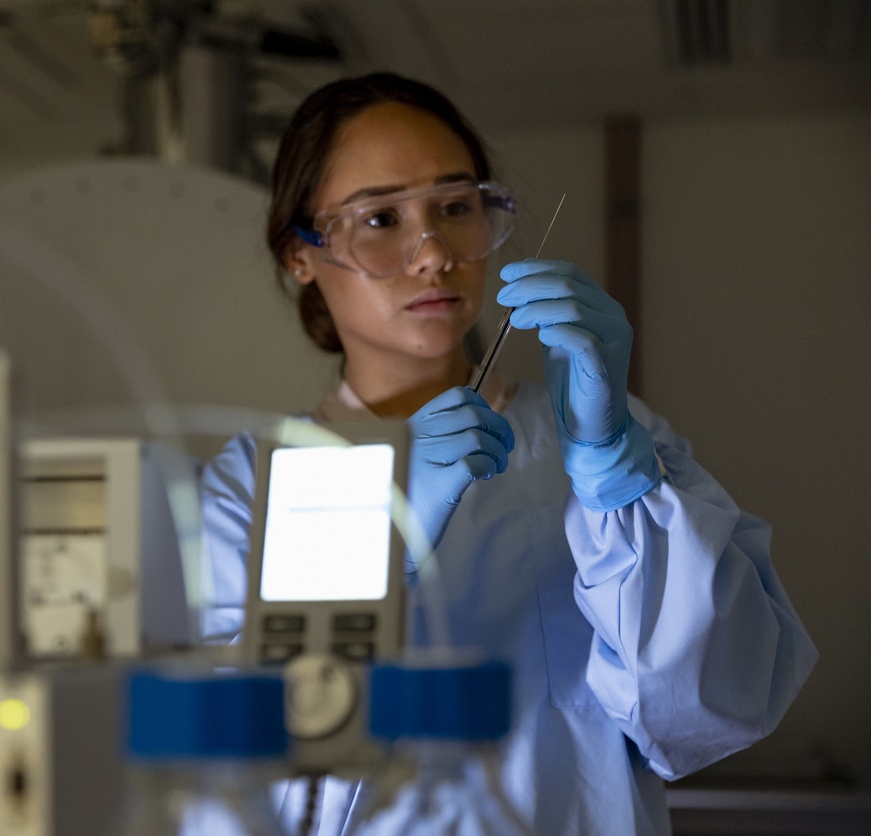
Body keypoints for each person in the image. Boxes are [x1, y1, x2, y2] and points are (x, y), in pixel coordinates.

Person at [199, 73, 818, 834]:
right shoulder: (251, 485)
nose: (432, 254)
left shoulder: (608, 438)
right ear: (302, 253)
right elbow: (222, 781)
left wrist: (615, 474)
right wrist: (369, 543)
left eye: (456, 208)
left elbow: (717, 709)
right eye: (382, 217)